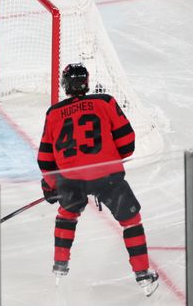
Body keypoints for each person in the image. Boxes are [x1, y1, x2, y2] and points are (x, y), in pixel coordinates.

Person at [36, 63, 159, 297]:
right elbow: (127, 142)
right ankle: (143, 275)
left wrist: (52, 186)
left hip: (71, 180)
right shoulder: (105, 102)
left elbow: (45, 158)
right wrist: (108, 160)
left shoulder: (53, 113)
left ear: (65, 85)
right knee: (131, 221)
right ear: (86, 82)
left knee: (67, 214)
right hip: (107, 176)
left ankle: (59, 268)